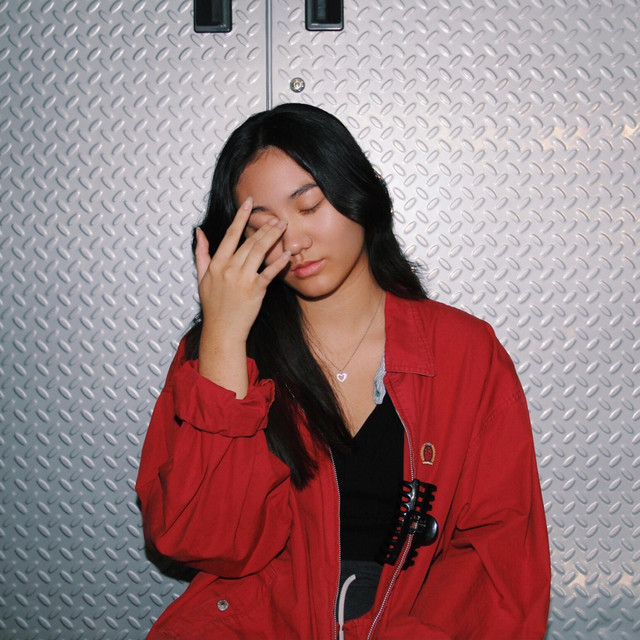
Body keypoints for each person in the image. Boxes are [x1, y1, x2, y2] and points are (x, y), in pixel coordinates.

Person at [136, 103, 551, 640]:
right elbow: (202, 541)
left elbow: (499, 556)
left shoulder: (463, 351)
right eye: (263, 227)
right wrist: (223, 340)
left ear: (360, 192)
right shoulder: (216, 353)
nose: (293, 242)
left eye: (310, 206)